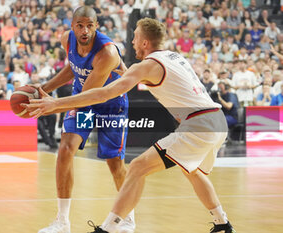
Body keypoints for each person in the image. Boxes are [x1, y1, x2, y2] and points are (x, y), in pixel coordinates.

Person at [24, 18, 236, 233]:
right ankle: (223, 224)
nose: (133, 42)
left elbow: (103, 93)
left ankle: (107, 228)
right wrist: (128, 74)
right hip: (216, 120)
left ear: (144, 43)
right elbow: (166, 82)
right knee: (192, 171)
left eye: (135, 37)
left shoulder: (143, 63)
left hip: (198, 125)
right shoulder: (174, 57)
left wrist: (55, 104)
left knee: (135, 167)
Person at [31, 6, 134, 233]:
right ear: (72, 26)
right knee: (66, 149)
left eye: (90, 25)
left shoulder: (107, 53)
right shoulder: (67, 40)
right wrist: (44, 88)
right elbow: (73, 68)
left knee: (114, 162)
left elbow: (88, 95)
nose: (85, 30)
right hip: (83, 100)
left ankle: (127, 219)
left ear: (97, 26)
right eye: (80, 25)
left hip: (109, 104)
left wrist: (53, 105)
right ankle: (62, 222)